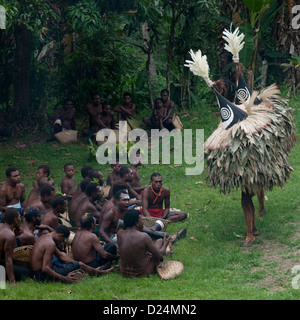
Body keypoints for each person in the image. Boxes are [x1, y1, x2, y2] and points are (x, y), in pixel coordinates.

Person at [30, 225, 111, 283]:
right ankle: (101, 272)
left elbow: (61, 256)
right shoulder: (51, 244)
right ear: (61, 236)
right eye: (63, 240)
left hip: (38, 274)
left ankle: (95, 270)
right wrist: (64, 279)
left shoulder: (45, 237)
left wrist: (75, 264)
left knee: (77, 265)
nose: (62, 243)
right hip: (42, 276)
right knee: (79, 265)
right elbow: (45, 268)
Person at [117, 209, 170, 277]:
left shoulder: (120, 234)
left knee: (158, 241)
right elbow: (160, 255)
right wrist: (165, 243)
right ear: (136, 223)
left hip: (124, 271)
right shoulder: (144, 236)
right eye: (141, 220)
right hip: (142, 271)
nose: (143, 223)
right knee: (159, 241)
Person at [0, 208, 30, 286]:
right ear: (15, 220)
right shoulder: (10, 235)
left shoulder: (1, 227)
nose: (21, 219)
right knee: (27, 272)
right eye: (19, 217)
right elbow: (8, 259)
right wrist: (12, 281)